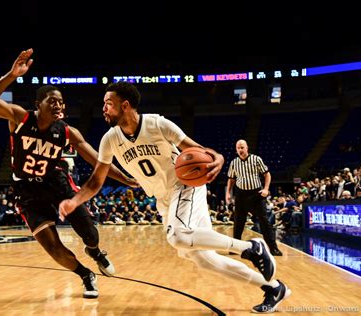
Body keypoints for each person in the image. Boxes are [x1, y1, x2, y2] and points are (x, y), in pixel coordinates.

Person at [58, 81, 291, 313]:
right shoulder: (110, 139)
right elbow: (97, 180)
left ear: (125, 105)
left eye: (108, 103)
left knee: (177, 236)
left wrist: (218, 157)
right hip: (164, 199)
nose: (104, 108)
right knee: (203, 259)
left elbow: (201, 151)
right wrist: (74, 201)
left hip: (185, 184)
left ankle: (251, 248)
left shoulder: (158, 124)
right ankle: (272, 288)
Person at [0, 48, 137, 299]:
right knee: (52, 247)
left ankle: (95, 251)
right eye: (52, 100)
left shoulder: (67, 132)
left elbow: (98, 160)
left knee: (89, 233)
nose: (58, 105)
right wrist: (11, 74)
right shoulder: (20, 118)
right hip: (27, 190)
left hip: (57, 183)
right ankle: (86, 275)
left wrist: (126, 179)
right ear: (37, 105)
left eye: (61, 102)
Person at [225, 139, 283, 256]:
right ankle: (235, 248)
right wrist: (228, 193)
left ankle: (273, 248)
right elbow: (231, 179)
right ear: (236, 150)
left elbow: (267, 174)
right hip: (241, 194)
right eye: (238, 148)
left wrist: (266, 189)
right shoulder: (234, 163)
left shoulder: (256, 159)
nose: (240, 150)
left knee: (264, 221)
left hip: (256, 194)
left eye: (242, 147)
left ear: (247, 148)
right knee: (238, 223)